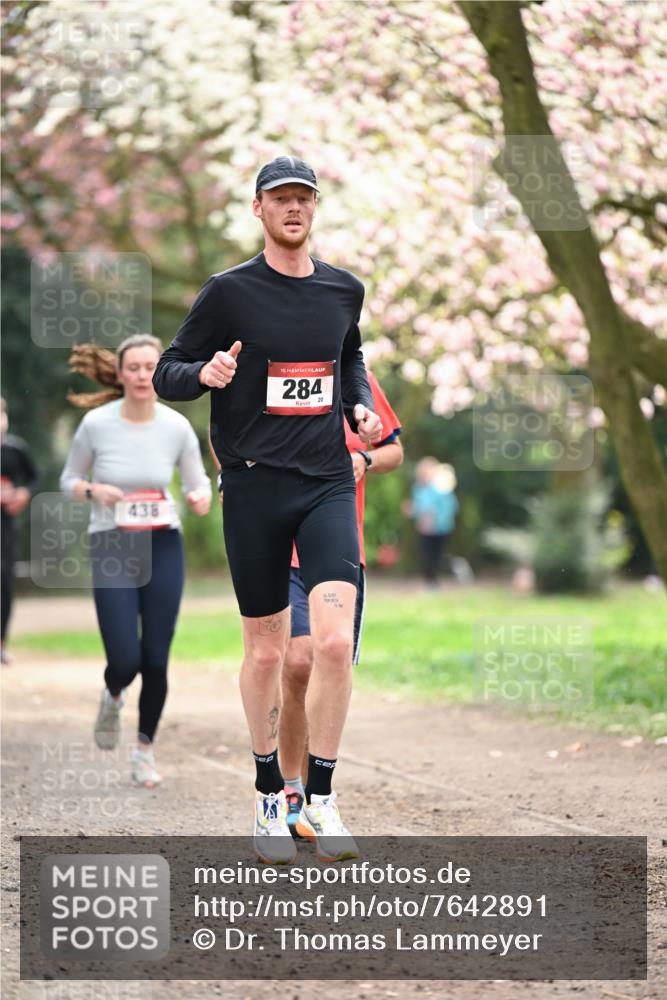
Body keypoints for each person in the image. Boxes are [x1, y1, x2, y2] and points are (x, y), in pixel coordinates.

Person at [153, 155, 382, 864]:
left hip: (324, 483)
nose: (293, 209)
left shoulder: (344, 289)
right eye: (280, 198)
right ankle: (266, 797)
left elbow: (349, 355)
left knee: (335, 644)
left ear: (315, 209)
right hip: (253, 486)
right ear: (258, 209)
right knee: (266, 652)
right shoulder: (226, 293)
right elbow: (168, 370)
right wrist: (205, 373)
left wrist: (356, 403)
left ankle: (320, 798)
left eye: (303, 199)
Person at [60, 335, 211, 787]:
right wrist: (93, 491)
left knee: (157, 659)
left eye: (151, 367)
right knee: (125, 659)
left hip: (163, 544)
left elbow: (196, 479)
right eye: (136, 367)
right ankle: (113, 694)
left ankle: (144, 751)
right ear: (121, 374)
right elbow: (69, 478)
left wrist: (200, 494)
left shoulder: (176, 426)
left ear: (158, 372)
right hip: (112, 545)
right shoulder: (96, 425)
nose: (144, 375)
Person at [280, 372, 402, 835]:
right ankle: (291, 788)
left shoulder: (359, 382)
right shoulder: (272, 370)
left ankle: (317, 797)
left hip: (339, 549)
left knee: (327, 662)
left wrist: (365, 459)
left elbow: (394, 450)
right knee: (295, 663)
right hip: (281, 549)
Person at [1, 397, 39, 664]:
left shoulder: (16, 450)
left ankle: (1, 642)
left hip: (6, 526)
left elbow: (36, 477)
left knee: (3, 581)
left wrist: (24, 493)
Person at [409, 458, 459, 587]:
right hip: (425, 528)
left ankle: (449, 572)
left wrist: (435, 519)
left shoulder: (442, 488)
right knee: (427, 555)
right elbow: (419, 507)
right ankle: (430, 581)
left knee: (438, 556)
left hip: (441, 528)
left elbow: (451, 507)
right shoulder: (418, 488)